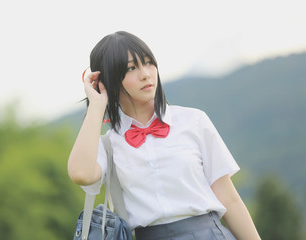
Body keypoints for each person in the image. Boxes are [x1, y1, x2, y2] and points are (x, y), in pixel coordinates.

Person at [68, 31, 261, 240]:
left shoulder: (193, 121)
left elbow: (229, 199)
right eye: (131, 68)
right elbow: (81, 173)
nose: (146, 74)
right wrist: (97, 106)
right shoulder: (110, 144)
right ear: (108, 80)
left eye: (149, 63)